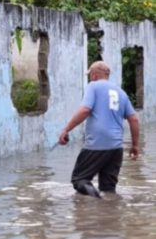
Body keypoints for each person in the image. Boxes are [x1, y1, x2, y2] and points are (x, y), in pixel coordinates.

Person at [58, 60, 140, 198]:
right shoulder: (121, 92)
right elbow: (134, 119)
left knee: (80, 180)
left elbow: (85, 110)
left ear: (95, 75)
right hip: (116, 148)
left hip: (97, 144)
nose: (90, 77)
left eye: (90, 74)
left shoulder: (93, 86)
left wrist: (66, 129)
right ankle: (108, 214)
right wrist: (135, 145)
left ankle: (97, 202)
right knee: (108, 188)